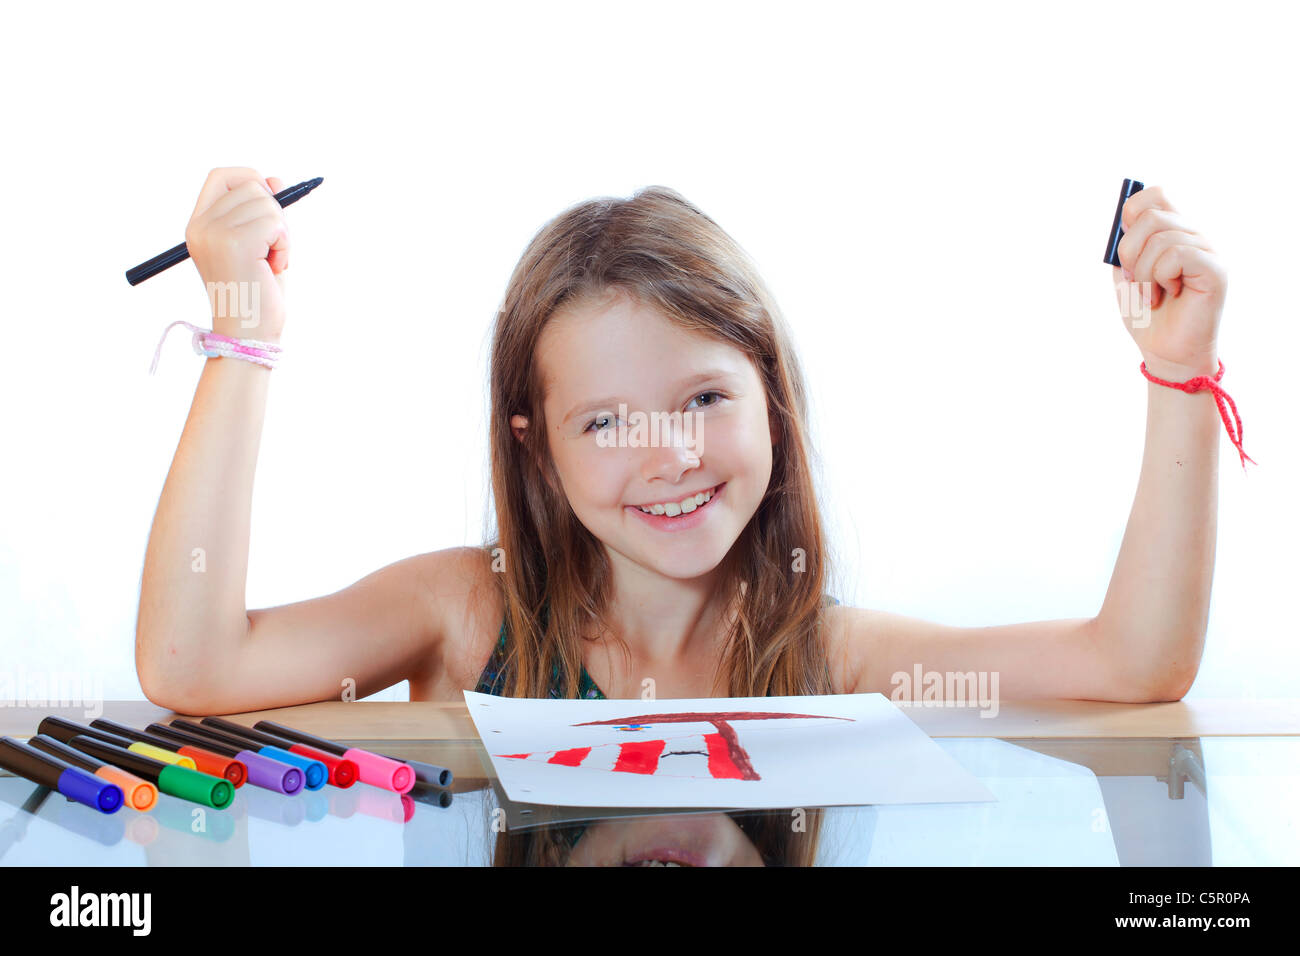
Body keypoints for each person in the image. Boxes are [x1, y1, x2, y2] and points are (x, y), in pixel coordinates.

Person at [136, 168, 1225, 712]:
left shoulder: (827, 658)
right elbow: (192, 664)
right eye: (604, 422)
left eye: (704, 398)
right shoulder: (463, 614)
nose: (669, 454)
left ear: (772, 403)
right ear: (535, 448)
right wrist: (245, 335)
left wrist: (1176, 372)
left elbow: (1132, 663)